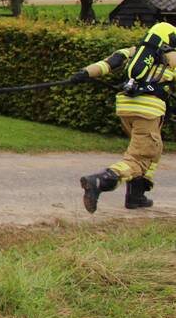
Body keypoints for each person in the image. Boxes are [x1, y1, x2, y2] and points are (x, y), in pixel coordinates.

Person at [74, 22, 176, 213]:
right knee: (140, 158)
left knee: (154, 148)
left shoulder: (134, 51)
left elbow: (107, 63)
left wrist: (84, 73)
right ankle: (101, 180)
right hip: (149, 110)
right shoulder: (172, 57)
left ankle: (136, 195)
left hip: (125, 108)